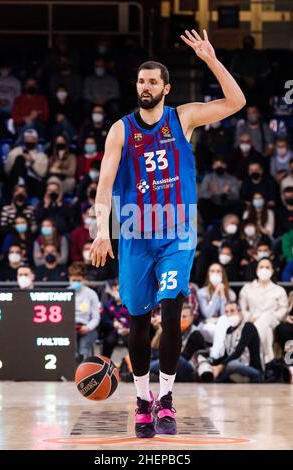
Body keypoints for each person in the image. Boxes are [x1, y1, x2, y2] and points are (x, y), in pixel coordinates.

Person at [90, 31, 246, 438]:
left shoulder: (184, 117)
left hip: (176, 232)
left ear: (166, 88)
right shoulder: (120, 130)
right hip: (134, 234)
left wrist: (211, 59)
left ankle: (167, 399)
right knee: (139, 323)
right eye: (141, 81)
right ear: (136, 87)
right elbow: (104, 186)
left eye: (153, 81)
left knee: (172, 312)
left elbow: (236, 103)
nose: (146, 87)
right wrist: (100, 230)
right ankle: (143, 401)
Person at [239, 258, 288, 364]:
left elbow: (283, 309)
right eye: (261, 267)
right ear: (256, 270)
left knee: (265, 318)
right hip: (253, 321)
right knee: (265, 329)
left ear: (272, 270)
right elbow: (242, 308)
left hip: (273, 321)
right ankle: (267, 361)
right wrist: (248, 317)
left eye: (267, 267)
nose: (264, 270)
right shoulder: (247, 288)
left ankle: (249, 357)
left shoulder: (279, 290)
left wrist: (270, 315)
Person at [212, 301, 264, 383]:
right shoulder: (227, 330)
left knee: (231, 365)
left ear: (240, 313)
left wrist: (220, 367)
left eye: (232, 311)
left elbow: (238, 352)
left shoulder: (248, 327)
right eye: (226, 312)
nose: (229, 314)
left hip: (253, 370)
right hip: (235, 369)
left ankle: (218, 378)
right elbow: (225, 355)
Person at [69, 262, 100, 362]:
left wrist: (88, 327)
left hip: (87, 327)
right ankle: (70, 374)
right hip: (70, 328)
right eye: (74, 280)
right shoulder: (66, 292)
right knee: (71, 350)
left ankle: (84, 374)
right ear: (69, 279)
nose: (76, 282)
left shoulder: (91, 294)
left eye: (79, 280)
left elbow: (96, 317)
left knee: (83, 349)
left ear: (84, 279)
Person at [197, 263, 236, 344]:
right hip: (207, 325)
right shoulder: (201, 292)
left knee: (224, 327)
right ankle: (219, 353)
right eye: (212, 271)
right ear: (208, 274)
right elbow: (208, 314)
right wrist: (215, 293)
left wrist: (222, 295)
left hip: (224, 323)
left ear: (223, 274)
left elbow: (224, 315)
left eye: (218, 271)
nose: (215, 273)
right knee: (216, 329)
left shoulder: (231, 294)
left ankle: (217, 354)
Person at [198, 155, 242, 226]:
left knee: (239, 204)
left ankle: (234, 226)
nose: (219, 166)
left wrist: (225, 195)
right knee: (202, 203)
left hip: (227, 206)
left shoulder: (232, 179)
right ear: (213, 166)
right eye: (216, 164)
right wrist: (214, 193)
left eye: (221, 164)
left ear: (225, 166)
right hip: (213, 206)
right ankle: (208, 226)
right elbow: (202, 194)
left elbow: (236, 195)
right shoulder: (208, 178)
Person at [4, 128, 49, 198]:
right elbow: (7, 170)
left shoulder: (42, 156)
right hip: (15, 181)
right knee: (19, 158)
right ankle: (20, 184)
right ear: (24, 140)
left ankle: (22, 186)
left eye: (32, 139)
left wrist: (32, 162)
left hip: (31, 182)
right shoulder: (15, 151)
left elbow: (42, 174)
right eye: (27, 139)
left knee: (43, 186)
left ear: (36, 140)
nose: (29, 141)